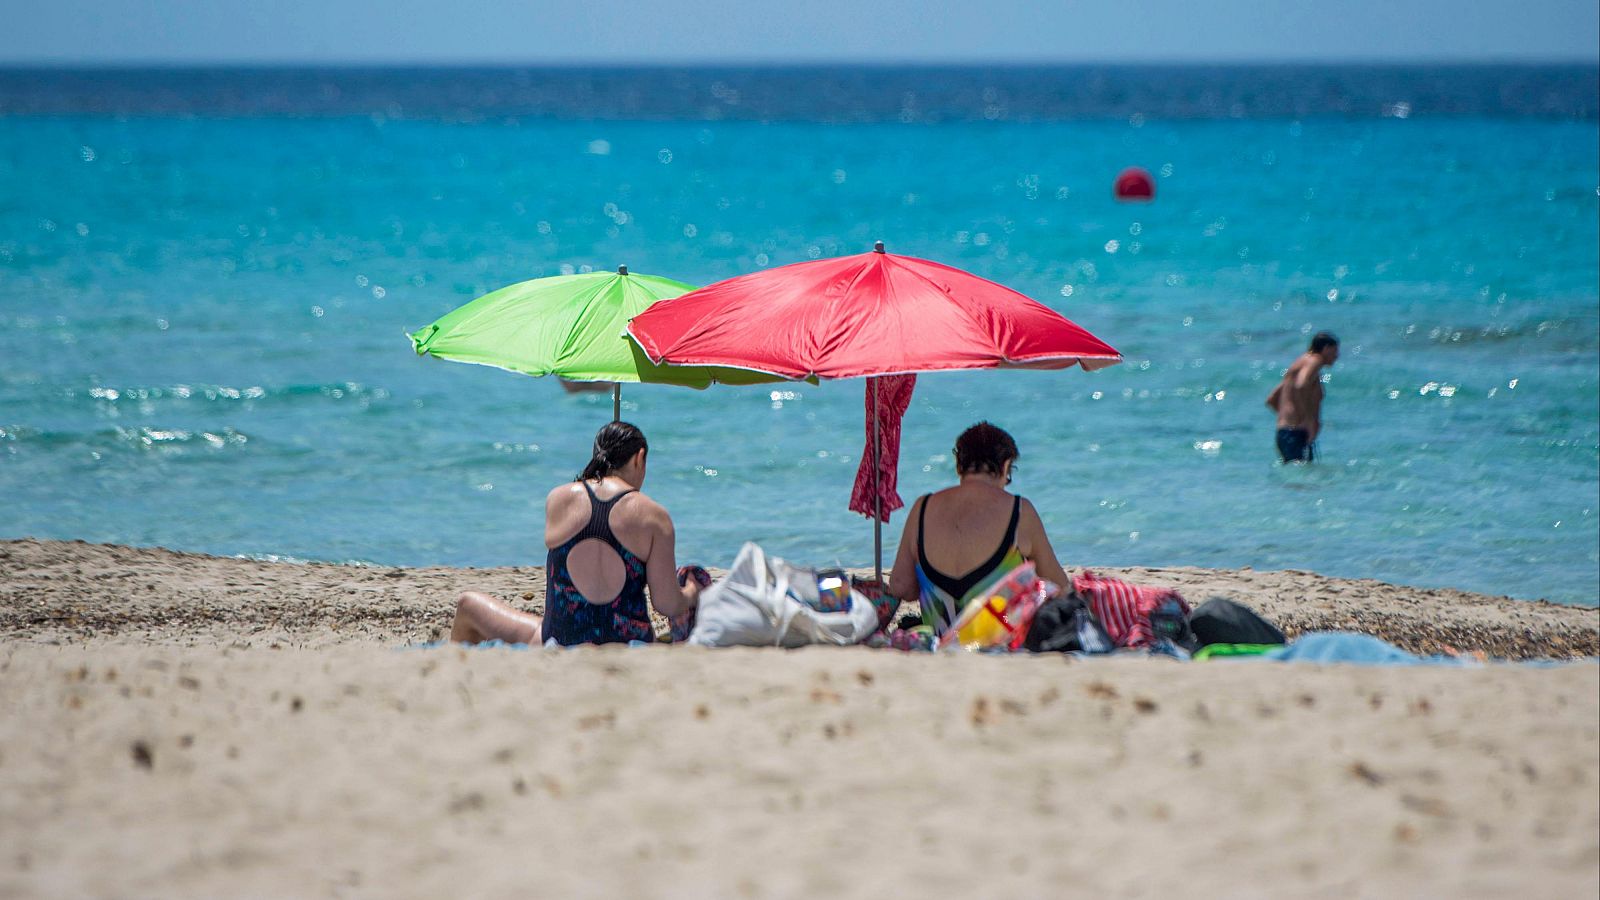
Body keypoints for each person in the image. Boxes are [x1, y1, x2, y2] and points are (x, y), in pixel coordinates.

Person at [448, 422, 703, 646]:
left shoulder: (558, 498)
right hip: (629, 644)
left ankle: (459, 681)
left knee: (467, 604)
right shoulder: (654, 516)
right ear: (639, 457)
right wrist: (692, 591)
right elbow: (667, 604)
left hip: (558, 641)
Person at [885, 422, 1071, 635]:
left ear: (958, 465)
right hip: (999, 642)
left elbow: (901, 586)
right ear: (1005, 466)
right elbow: (1058, 585)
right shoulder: (1019, 511)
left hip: (939, 640)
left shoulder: (922, 508)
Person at [1266, 332, 1339, 463]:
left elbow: (1271, 399)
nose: (1337, 356)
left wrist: (1289, 417)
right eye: (1335, 351)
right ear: (1326, 348)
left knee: (1296, 481)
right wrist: (1307, 420)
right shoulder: (1315, 360)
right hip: (1297, 433)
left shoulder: (1298, 365)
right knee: (1303, 481)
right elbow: (1301, 384)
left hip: (1284, 432)